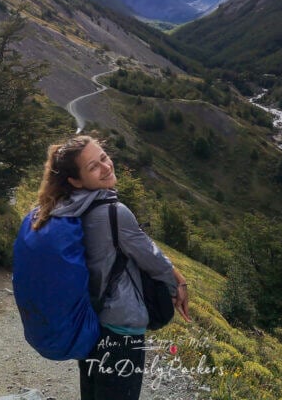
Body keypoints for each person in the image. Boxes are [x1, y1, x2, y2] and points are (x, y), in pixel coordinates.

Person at [32, 135, 190, 400]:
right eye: (93, 166)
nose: (106, 167)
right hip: (121, 331)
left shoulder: (65, 207)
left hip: (90, 324)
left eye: (104, 158)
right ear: (76, 180)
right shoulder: (113, 212)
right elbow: (152, 258)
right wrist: (179, 284)